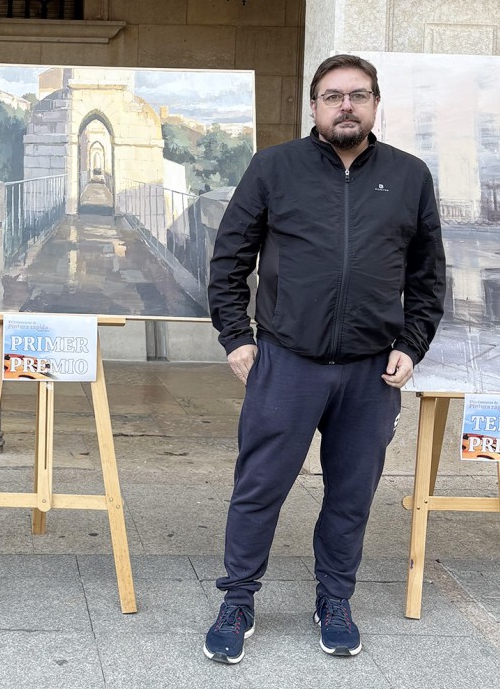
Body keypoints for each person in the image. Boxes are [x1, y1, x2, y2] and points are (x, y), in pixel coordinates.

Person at [204, 54, 445, 664]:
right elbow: (230, 258)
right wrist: (237, 338)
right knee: (259, 487)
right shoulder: (274, 168)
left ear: (374, 104)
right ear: (313, 106)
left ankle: (334, 600)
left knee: (351, 494)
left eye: (358, 96)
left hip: (371, 371)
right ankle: (237, 600)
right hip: (287, 362)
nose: (346, 106)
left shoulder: (410, 176)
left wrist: (411, 345)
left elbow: (427, 275)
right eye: (333, 96)